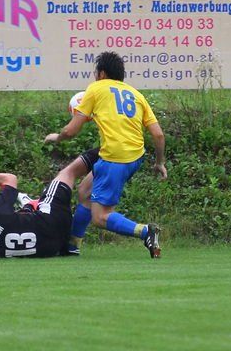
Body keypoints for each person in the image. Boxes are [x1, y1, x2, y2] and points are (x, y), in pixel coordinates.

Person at [45, 51, 167, 258]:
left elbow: (71, 131)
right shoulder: (136, 95)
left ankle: (145, 231)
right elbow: (158, 135)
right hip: (135, 155)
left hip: (115, 158)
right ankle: (72, 245)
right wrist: (159, 162)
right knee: (85, 191)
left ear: (101, 73)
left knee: (100, 217)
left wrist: (57, 137)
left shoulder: (96, 88)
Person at [0, 149, 99, 258]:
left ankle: (72, 245)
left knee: (84, 193)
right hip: (52, 218)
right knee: (68, 173)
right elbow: (10, 178)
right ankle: (108, 150)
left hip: (57, 245)